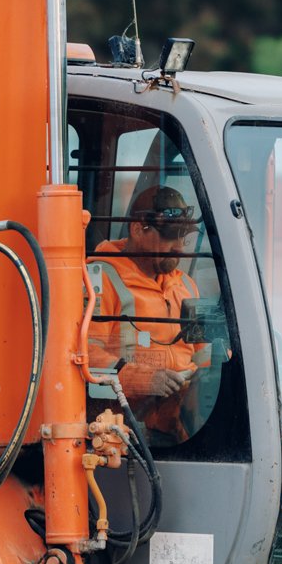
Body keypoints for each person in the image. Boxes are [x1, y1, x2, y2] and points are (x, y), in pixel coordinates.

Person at [87, 183, 205, 441]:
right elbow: (85, 355)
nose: (179, 247)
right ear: (138, 229)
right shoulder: (100, 279)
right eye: (169, 236)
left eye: (182, 236)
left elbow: (206, 352)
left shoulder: (185, 285)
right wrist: (144, 380)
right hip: (134, 419)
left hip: (184, 409)